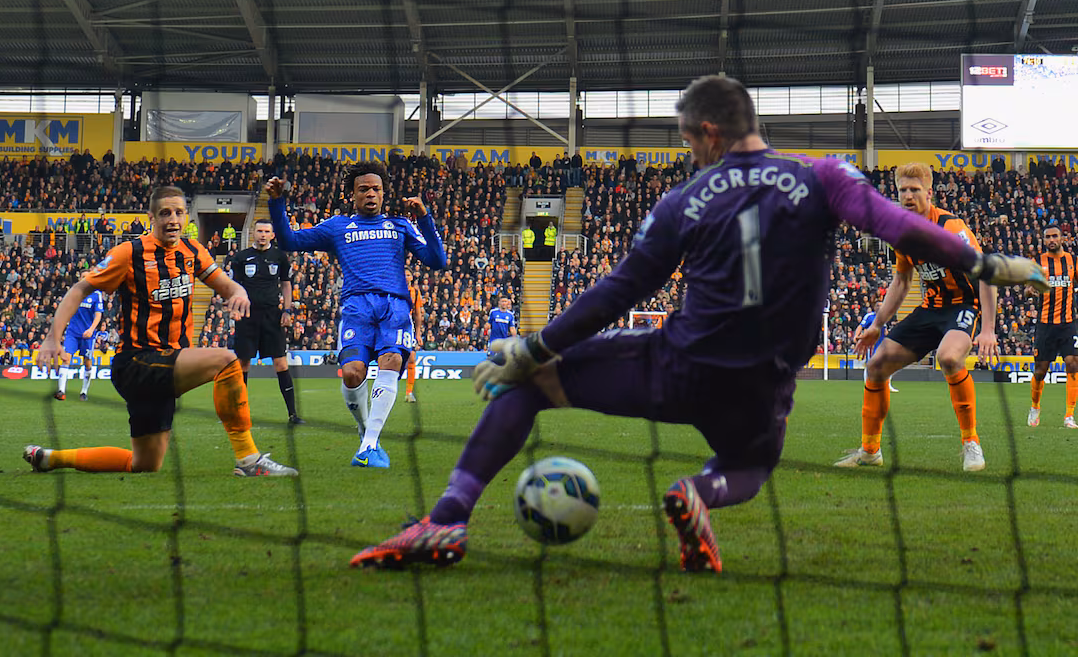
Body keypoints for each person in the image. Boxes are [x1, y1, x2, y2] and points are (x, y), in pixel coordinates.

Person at [348, 75, 1047, 572]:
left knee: (529, 385)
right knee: (747, 467)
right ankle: (697, 494)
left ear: (710, 132)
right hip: (762, 385)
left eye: (689, 139)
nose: (690, 152)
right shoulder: (824, 176)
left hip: (679, 365)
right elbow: (899, 227)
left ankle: (446, 521)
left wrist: (535, 344)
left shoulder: (684, 198)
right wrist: (985, 264)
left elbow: (622, 289)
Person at [24, 185, 297, 478]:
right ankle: (249, 459)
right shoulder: (129, 253)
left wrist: (238, 292)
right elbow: (80, 289)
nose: (173, 220)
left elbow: (226, 284)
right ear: (151, 217)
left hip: (167, 364)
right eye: (165, 213)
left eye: (179, 212)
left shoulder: (192, 251)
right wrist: (52, 339)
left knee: (144, 463)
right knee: (227, 361)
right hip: (137, 363)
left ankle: (50, 458)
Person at [266, 160, 446, 469]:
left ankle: (369, 445)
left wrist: (425, 217)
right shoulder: (337, 226)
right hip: (356, 307)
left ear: (384, 193)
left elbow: (437, 260)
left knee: (392, 361)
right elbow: (289, 241)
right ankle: (366, 432)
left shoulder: (400, 225)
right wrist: (277, 202)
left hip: (394, 306)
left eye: (376, 189)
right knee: (352, 374)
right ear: (353, 194)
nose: (371, 194)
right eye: (364, 189)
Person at [836, 163, 998, 473]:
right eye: (903, 190)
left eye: (915, 190)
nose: (908, 196)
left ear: (929, 193)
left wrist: (988, 329)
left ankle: (971, 443)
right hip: (929, 308)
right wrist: (877, 324)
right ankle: (869, 451)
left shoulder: (951, 228)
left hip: (962, 305)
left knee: (949, 357)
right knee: (876, 366)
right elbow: (901, 281)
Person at [228, 218, 303, 425]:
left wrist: (287, 310)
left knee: (280, 362)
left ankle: (293, 414)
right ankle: (239, 414)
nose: (262, 235)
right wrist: (233, 309)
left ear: (272, 235)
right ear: (253, 232)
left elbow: (286, 285)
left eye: (266, 231)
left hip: (272, 316)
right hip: (247, 315)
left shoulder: (279, 257)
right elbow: (233, 286)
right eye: (259, 231)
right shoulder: (241, 258)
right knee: (243, 363)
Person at [1027, 224, 1078, 428]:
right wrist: (1029, 291)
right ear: (1044, 240)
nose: (1051, 240)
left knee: (1073, 364)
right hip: (1045, 324)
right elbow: (1028, 287)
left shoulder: (1072, 261)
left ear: (1062, 238)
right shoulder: (1038, 262)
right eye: (1047, 237)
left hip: (1068, 323)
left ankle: (1069, 415)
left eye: (1055, 236)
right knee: (1040, 370)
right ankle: (1035, 406)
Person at [55, 288, 103, 402]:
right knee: (66, 358)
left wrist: (91, 329)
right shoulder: (74, 291)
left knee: (87, 362)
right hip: (72, 332)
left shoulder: (96, 294)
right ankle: (61, 391)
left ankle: (84, 392)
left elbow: (98, 315)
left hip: (88, 334)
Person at [854, 311, 899, 393]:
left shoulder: (884, 316)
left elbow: (885, 331)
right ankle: (867, 385)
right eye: (878, 305)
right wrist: (856, 335)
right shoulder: (869, 316)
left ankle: (887, 385)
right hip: (872, 344)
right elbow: (861, 326)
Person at [403, 268, 424, 403]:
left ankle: (409, 392)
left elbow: (417, 313)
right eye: (404, 274)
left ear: (412, 277)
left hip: (408, 325)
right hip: (393, 324)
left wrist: (418, 333)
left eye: (408, 275)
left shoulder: (415, 292)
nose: (406, 277)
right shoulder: (394, 288)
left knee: (411, 359)